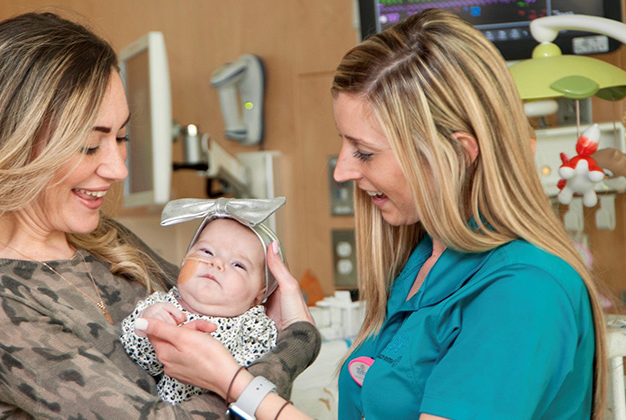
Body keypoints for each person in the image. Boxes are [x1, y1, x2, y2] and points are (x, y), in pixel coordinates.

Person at [136, 8, 608, 420]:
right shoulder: (425, 262)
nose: (341, 170)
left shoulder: (523, 295)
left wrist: (234, 383)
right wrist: (291, 334)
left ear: (459, 154)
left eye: (364, 152)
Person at [0, 12, 320, 419]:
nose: (118, 168)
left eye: (121, 137)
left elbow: (234, 327)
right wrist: (295, 343)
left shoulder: (107, 242)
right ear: (10, 142)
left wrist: (263, 325)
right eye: (89, 144)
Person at [121, 197, 286, 404]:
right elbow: (142, 363)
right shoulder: (161, 306)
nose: (216, 262)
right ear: (183, 261)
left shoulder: (254, 325)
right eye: (206, 252)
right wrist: (144, 329)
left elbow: (266, 373)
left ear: (258, 295)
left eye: (238, 265)